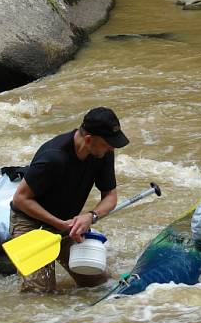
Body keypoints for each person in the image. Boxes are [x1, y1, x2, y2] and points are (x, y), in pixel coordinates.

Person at [9, 107, 129, 293]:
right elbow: (20, 199)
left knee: (99, 285)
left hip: (67, 223)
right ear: (89, 139)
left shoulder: (102, 153)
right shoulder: (53, 157)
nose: (112, 148)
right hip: (30, 222)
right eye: (108, 143)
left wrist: (90, 216)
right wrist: (58, 223)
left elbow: (110, 196)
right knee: (39, 293)